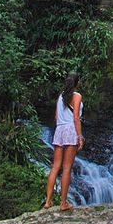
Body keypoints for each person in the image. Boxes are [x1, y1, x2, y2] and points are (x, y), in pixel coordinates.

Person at [44, 71, 85, 211]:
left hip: (59, 130)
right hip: (70, 130)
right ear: (77, 82)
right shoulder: (77, 96)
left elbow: (56, 117)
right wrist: (80, 137)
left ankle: (48, 201)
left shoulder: (60, 97)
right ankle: (63, 203)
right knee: (67, 168)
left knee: (55, 166)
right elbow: (76, 118)